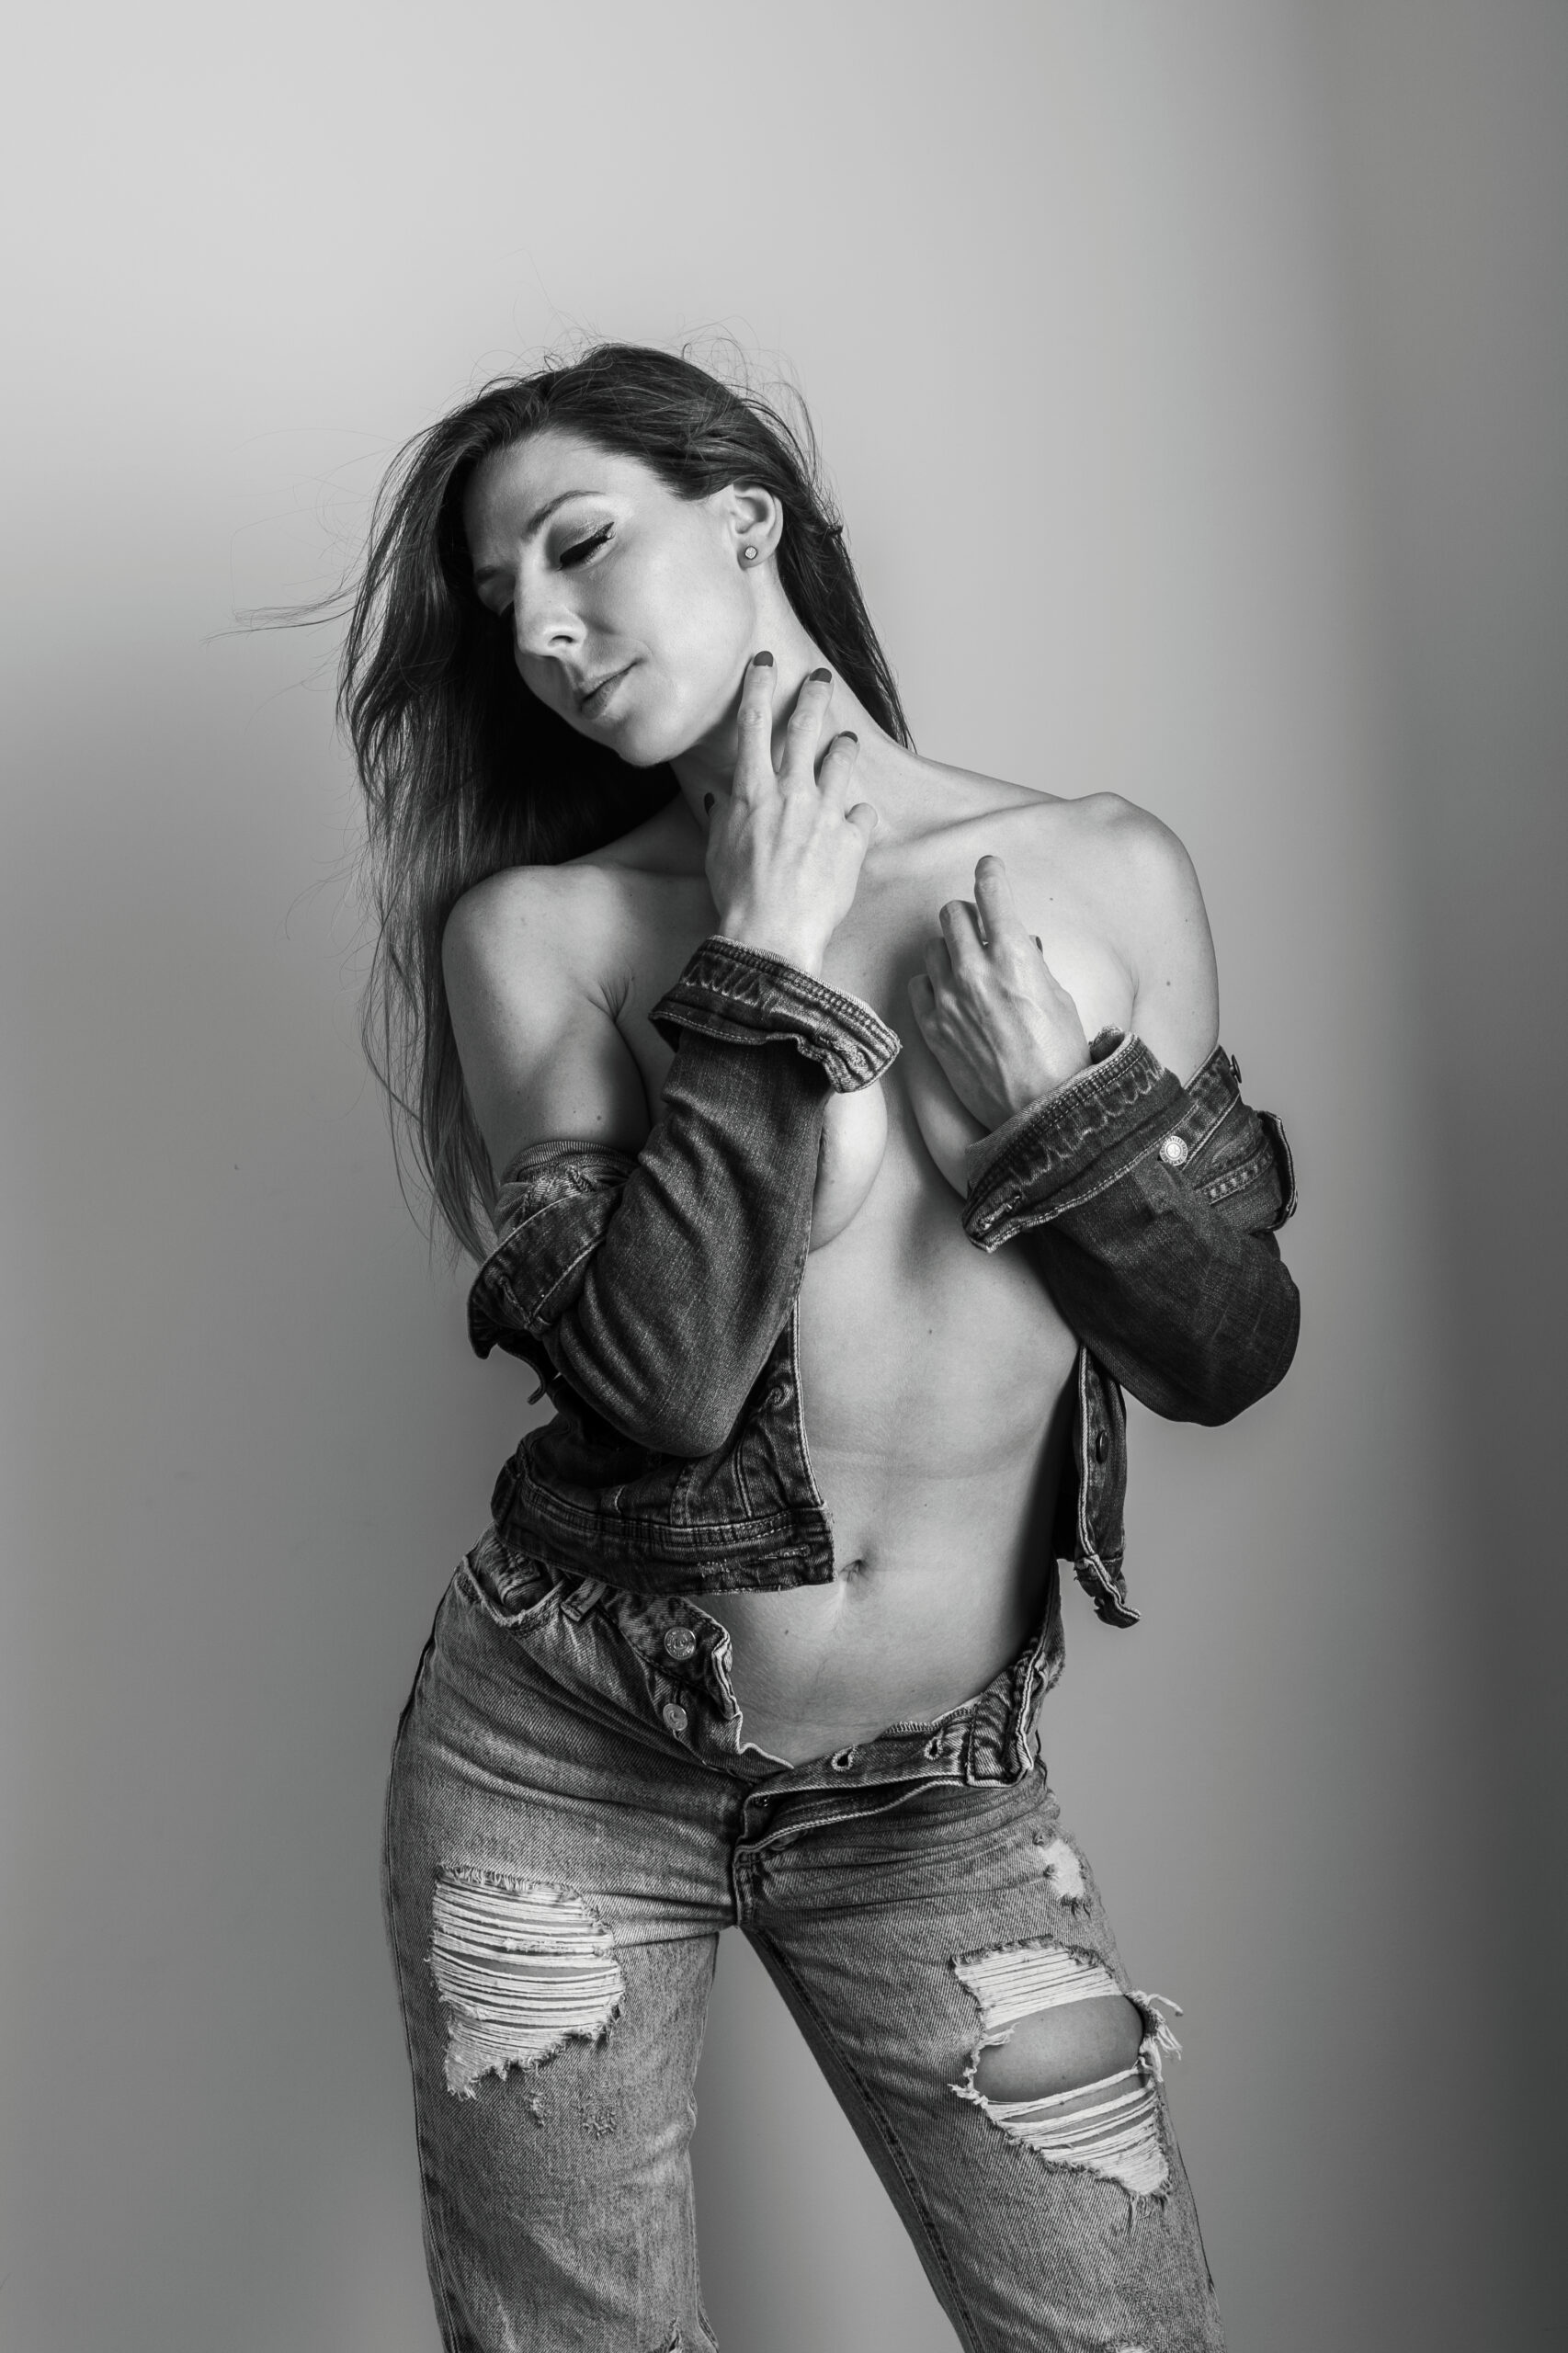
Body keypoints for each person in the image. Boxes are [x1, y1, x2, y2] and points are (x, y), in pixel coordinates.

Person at [348, 343, 1299, 2353]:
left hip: (936, 1799)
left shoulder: (1102, 868)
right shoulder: (540, 934)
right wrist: (757, 969)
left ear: (745, 517)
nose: (541, 629)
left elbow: (1226, 1349)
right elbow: (662, 1381)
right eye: (503, 603)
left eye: (578, 544)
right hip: (560, 1757)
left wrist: (1066, 1123)